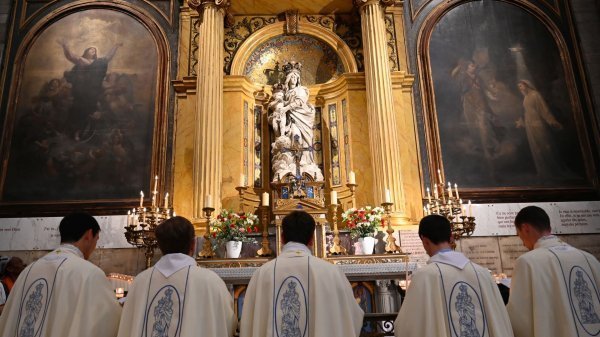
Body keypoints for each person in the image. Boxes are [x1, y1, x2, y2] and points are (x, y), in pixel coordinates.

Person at [240, 210, 363, 337]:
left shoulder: (261, 274)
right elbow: (353, 318)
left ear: (282, 238)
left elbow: (247, 324)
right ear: (311, 239)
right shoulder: (332, 274)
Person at [0, 212, 120, 336]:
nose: (95, 246)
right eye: (97, 239)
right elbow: (108, 321)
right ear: (89, 235)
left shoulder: (29, 270)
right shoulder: (89, 273)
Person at [394, 215, 513, 337]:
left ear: (424, 241)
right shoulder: (482, 274)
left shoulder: (424, 277)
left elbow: (406, 327)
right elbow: (501, 322)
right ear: (451, 237)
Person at [117, 216, 236, 337]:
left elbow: (126, 326)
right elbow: (227, 323)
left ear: (159, 245)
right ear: (193, 244)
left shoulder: (140, 281)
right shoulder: (210, 281)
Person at [507, 206, 600, 337]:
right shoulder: (589, 259)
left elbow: (519, 319)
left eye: (519, 235)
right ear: (549, 229)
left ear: (525, 228)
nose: (523, 243)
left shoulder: (528, 262)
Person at [58, 38, 122, 141]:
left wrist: (116, 46)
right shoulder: (81, 60)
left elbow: (108, 57)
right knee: (78, 110)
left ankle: (86, 132)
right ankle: (75, 131)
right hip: (81, 90)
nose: (93, 51)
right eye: (91, 50)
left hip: (93, 91)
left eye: (95, 50)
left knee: (90, 110)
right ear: (86, 51)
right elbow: (70, 56)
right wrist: (65, 46)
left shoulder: (99, 62)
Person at [515, 80, 566, 179]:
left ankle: (554, 171)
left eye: (521, 86)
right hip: (530, 126)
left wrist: (551, 121)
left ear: (526, 85)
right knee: (536, 149)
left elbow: (544, 109)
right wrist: (522, 122)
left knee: (545, 147)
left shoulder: (535, 95)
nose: (520, 88)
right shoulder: (525, 98)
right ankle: (543, 171)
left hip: (538, 124)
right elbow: (527, 112)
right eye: (519, 87)